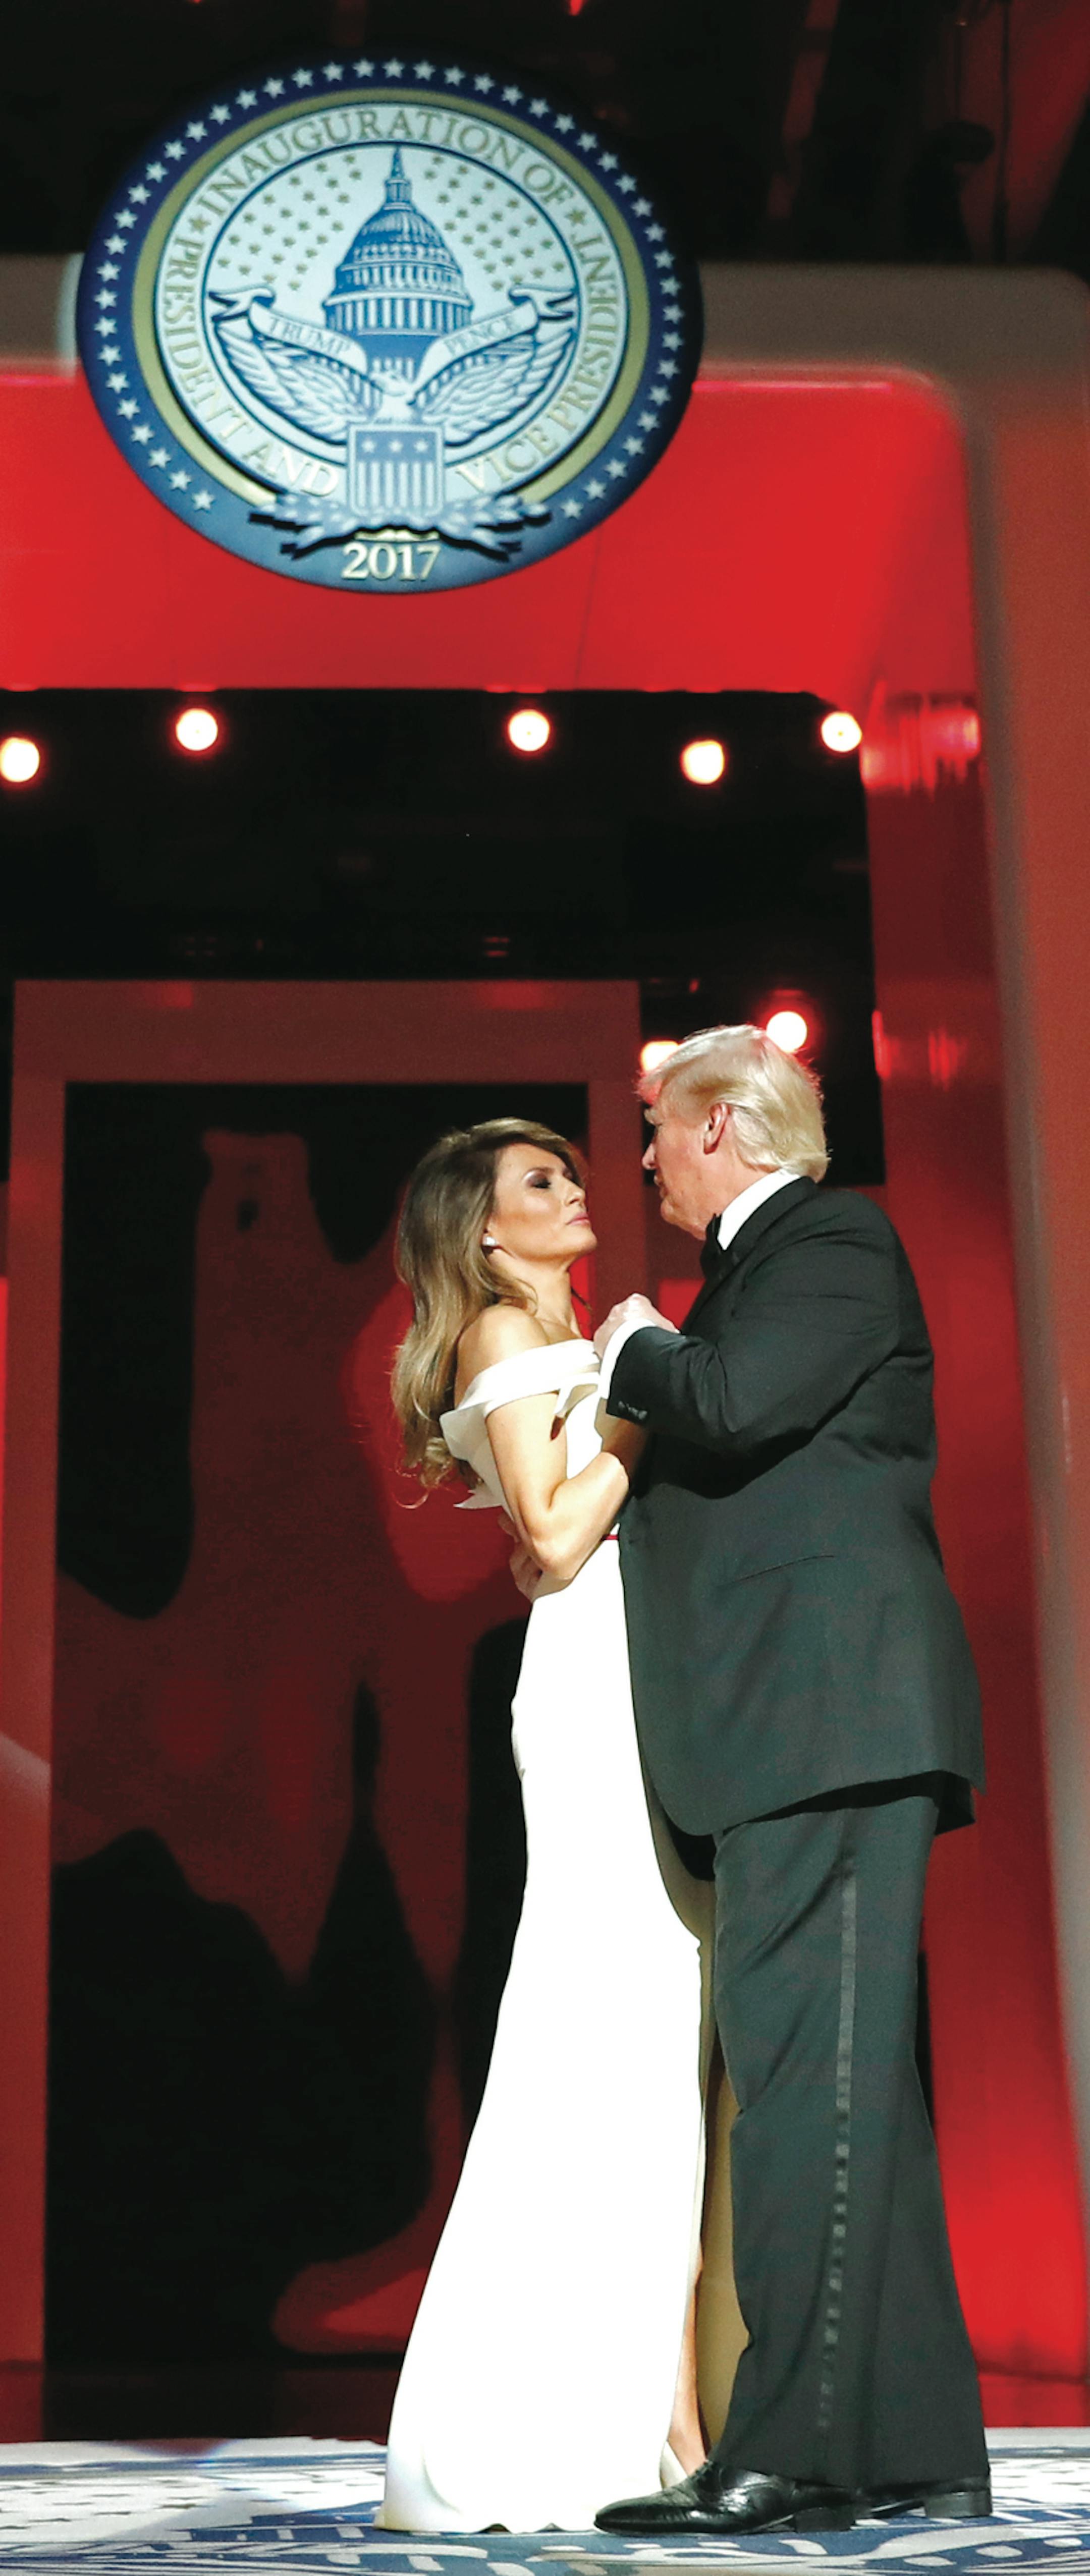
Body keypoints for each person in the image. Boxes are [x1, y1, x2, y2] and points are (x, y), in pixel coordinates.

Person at [587, 1025, 990, 2539]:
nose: (642, 1162)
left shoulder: (829, 1237)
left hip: (828, 1714)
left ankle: (797, 2451)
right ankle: (914, 2440)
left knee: (802, 2086)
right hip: (802, 1718)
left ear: (722, 1127)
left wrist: (632, 1340)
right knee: (847, 2088)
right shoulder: (769, 1267)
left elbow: (739, 1401)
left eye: (657, 1134)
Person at [379, 1117, 726, 2534]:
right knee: (605, 2026)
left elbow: (552, 1531)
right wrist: (645, 1406)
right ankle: (579, 2418)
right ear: (479, 1230)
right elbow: (560, 1533)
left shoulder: (565, 1344)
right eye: (539, 1182)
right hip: (592, 1690)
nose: (576, 1188)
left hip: (628, 1673)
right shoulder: (507, 1346)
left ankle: (666, 2413)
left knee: (656, 2036)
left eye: (570, 1172)